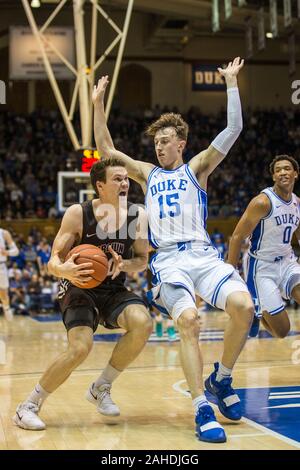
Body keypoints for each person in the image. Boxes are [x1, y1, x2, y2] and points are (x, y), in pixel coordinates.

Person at [93, 57, 254, 443]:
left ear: (180, 144)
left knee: (245, 309)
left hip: (202, 253)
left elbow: (234, 128)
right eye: (155, 142)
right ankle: (201, 406)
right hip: (169, 260)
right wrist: (98, 104)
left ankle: (222, 378)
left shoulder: (197, 167)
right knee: (188, 322)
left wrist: (231, 83)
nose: (159, 146)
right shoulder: (148, 172)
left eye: (165, 141)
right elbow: (106, 151)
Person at [13, 158, 152, 430]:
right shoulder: (79, 213)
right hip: (78, 285)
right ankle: (27, 406)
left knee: (143, 323)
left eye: (126, 178)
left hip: (112, 287)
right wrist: (65, 270)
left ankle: (101, 387)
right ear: (100, 185)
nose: (125, 183)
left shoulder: (139, 215)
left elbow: (142, 259)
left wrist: (124, 264)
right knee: (80, 347)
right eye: (117, 179)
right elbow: (53, 260)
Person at [228, 155, 300, 338]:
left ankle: (259, 309)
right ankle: (258, 312)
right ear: (274, 177)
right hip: (262, 267)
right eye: (278, 170)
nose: (283, 172)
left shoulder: (297, 202)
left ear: (296, 174)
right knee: (282, 331)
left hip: (287, 261)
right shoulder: (262, 202)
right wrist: (230, 272)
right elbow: (236, 237)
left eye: (287, 168)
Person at [0, 228, 19, 321]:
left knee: (3, 294)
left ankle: (6, 308)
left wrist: (6, 252)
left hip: (1, 266)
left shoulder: (4, 233)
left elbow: (16, 251)